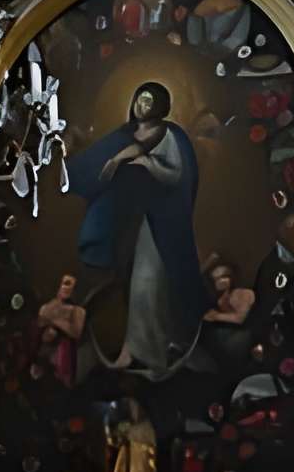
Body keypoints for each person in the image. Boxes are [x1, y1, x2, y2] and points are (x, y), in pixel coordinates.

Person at [68, 82, 202, 378]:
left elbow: (177, 175)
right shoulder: (126, 134)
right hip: (129, 220)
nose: (142, 105)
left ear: (160, 105)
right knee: (127, 279)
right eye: (139, 99)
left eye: (148, 100)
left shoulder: (170, 135)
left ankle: (150, 351)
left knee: (148, 282)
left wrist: (147, 162)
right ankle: (132, 349)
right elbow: (95, 163)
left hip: (159, 222)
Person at [37, 271, 87, 385]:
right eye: (64, 284)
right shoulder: (46, 308)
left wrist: (55, 320)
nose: (65, 288)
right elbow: (41, 323)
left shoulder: (78, 311)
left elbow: (76, 332)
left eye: (69, 284)